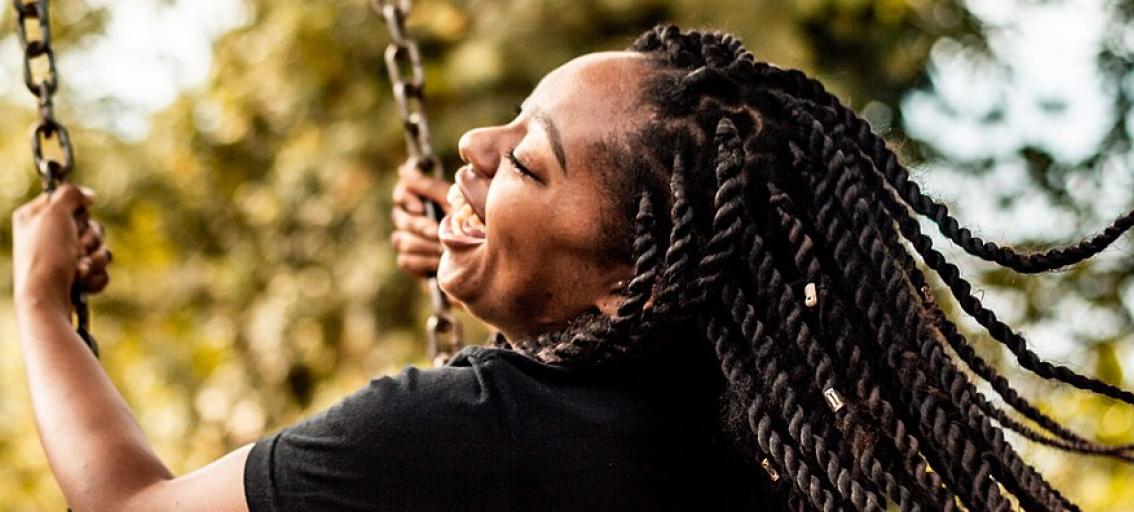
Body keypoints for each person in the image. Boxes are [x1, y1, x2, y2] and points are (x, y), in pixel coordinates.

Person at [12, 24, 1134, 511]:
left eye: (529, 165)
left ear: (633, 282)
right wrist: (493, 264)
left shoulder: (453, 432)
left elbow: (123, 503)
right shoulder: (749, 427)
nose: (471, 147)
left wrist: (41, 304)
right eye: (513, 116)